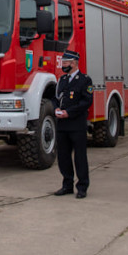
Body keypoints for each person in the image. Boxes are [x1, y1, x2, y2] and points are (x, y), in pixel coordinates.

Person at [52, 50, 93, 199]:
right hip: (62, 125)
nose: (63, 65)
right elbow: (55, 98)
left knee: (80, 157)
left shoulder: (85, 80)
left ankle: (82, 187)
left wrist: (69, 112)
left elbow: (86, 101)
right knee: (63, 157)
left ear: (74, 63)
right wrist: (56, 108)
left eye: (66, 63)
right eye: (63, 63)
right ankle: (67, 185)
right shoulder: (61, 80)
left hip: (77, 125)